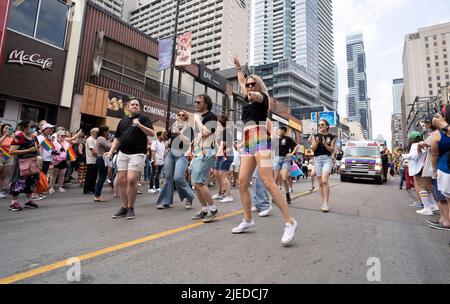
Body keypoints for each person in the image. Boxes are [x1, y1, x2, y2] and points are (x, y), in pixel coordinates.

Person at [231, 55, 298, 245]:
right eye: (249, 85)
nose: (250, 87)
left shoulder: (263, 99)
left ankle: (290, 222)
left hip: (262, 141)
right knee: (243, 182)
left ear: (258, 86)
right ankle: (247, 220)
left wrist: (253, 94)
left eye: (253, 85)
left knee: (268, 180)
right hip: (248, 142)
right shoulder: (247, 99)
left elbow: (256, 95)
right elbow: (242, 81)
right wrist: (238, 68)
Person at [105, 99, 155, 220]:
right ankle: (124, 207)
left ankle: (131, 207)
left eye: (137, 105)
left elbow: (152, 133)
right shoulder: (122, 121)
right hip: (122, 153)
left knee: (132, 179)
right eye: (132, 104)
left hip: (137, 154)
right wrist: (111, 152)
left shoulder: (144, 119)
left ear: (139, 108)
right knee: (121, 180)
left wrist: (139, 125)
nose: (134, 106)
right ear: (128, 107)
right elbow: (117, 139)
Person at [156, 110, 195, 209]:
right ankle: (166, 201)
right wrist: (165, 135)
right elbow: (165, 138)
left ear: (186, 117)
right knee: (168, 178)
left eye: (183, 115)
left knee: (178, 177)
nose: (180, 116)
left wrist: (178, 134)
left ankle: (189, 197)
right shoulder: (173, 127)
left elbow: (188, 142)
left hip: (182, 154)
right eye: (179, 115)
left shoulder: (189, 129)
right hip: (171, 153)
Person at [190, 94, 219, 223]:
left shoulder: (211, 116)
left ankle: (212, 209)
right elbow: (199, 137)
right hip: (198, 152)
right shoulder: (201, 117)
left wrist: (196, 120)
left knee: (200, 183)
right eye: (195, 102)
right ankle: (204, 209)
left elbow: (206, 132)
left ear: (206, 104)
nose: (196, 104)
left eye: (198, 102)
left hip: (206, 152)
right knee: (196, 184)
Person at [403, 131, 438, 216]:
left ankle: (427, 208)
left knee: (422, 187)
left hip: (420, 168)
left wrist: (404, 156)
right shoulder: (423, 143)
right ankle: (432, 205)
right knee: (428, 188)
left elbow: (415, 156)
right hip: (426, 168)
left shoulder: (416, 145)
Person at [8, 120, 40, 211]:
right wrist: (28, 150)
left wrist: (38, 153)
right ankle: (14, 202)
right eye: (31, 126)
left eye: (34, 126)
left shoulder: (34, 137)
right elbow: (12, 151)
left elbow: (38, 148)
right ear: (24, 128)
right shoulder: (19, 137)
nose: (34, 128)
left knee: (31, 181)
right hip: (21, 163)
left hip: (33, 163)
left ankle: (28, 200)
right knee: (19, 182)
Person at [430, 106, 450, 230]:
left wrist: (435, 169)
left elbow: (434, 154)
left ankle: (446, 221)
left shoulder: (438, 134)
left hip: (445, 169)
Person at [310, 119, 336, 213]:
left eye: (322, 124)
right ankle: (324, 201)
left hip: (327, 159)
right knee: (320, 183)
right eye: (319, 124)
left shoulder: (332, 137)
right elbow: (313, 149)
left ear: (327, 126)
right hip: (317, 160)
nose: (320, 126)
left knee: (325, 181)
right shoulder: (315, 136)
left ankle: (325, 203)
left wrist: (325, 144)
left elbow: (332, 150)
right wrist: (316, 143)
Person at [273, 126, 297, 205]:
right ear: (277, 130)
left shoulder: (287, 139)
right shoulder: (274, 139)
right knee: (276, 179)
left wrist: (291, 153)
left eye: (284, 130)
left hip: (285, 159)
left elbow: (296, 146)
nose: (282, 131)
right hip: (276, 159)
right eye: (280, 129)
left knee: (284, 178)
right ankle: (275, 196)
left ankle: (287, 194)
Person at [214, 115, 234, 203]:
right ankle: (219, 193)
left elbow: (223, 146)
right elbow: (219, 145)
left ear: (221, 123)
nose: (217, 126)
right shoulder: (222, 133)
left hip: (226, 155)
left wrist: (217, 154)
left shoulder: (226, 132)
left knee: (223, 175)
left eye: (218, 124)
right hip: (221, 155)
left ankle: (229, 196)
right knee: (217, 174)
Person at [49, 130, 72, 194]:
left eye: (64, 136)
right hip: (56, 160)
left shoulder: (67, 143)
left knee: (62, 174)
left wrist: (70, 157)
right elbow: (51, 151)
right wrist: (56, 152)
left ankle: (60, 186)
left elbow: (69, 151)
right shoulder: (54, 142)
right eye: (62, 135)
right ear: (58, 136)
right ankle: (51, 187)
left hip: (64, 160)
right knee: (54, 175)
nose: (63, 137)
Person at [94, 125, 112, 202]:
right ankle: (97, 195)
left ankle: (98, 195)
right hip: (101, 158)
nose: (109, 133)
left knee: (102, 177)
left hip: (102, 158)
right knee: (102, 177)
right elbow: (109, 146)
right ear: (104, 132)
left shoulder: (102, 138)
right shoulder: (101, 138)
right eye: (108, 131)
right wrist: (114, 142)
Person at [0, 123, 15, 198]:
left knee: (3, 176)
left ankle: (0, 190)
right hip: (0, 157)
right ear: (2, 129)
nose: (7, 129)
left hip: (9, 158)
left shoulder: (12, 138)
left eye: (9, 128)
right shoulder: (2, 136)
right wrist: (5, 135)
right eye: (6, 128)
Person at [83, 128, 99, 195]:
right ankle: (87, 189)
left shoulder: (95, 139)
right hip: (91, 160)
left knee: (94, 176)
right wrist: (101, 154)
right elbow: (93, 151)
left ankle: (92, 188)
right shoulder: (90, 139)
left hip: (95, 160)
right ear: (94, 132)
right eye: (98, 132)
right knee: (90, 176)